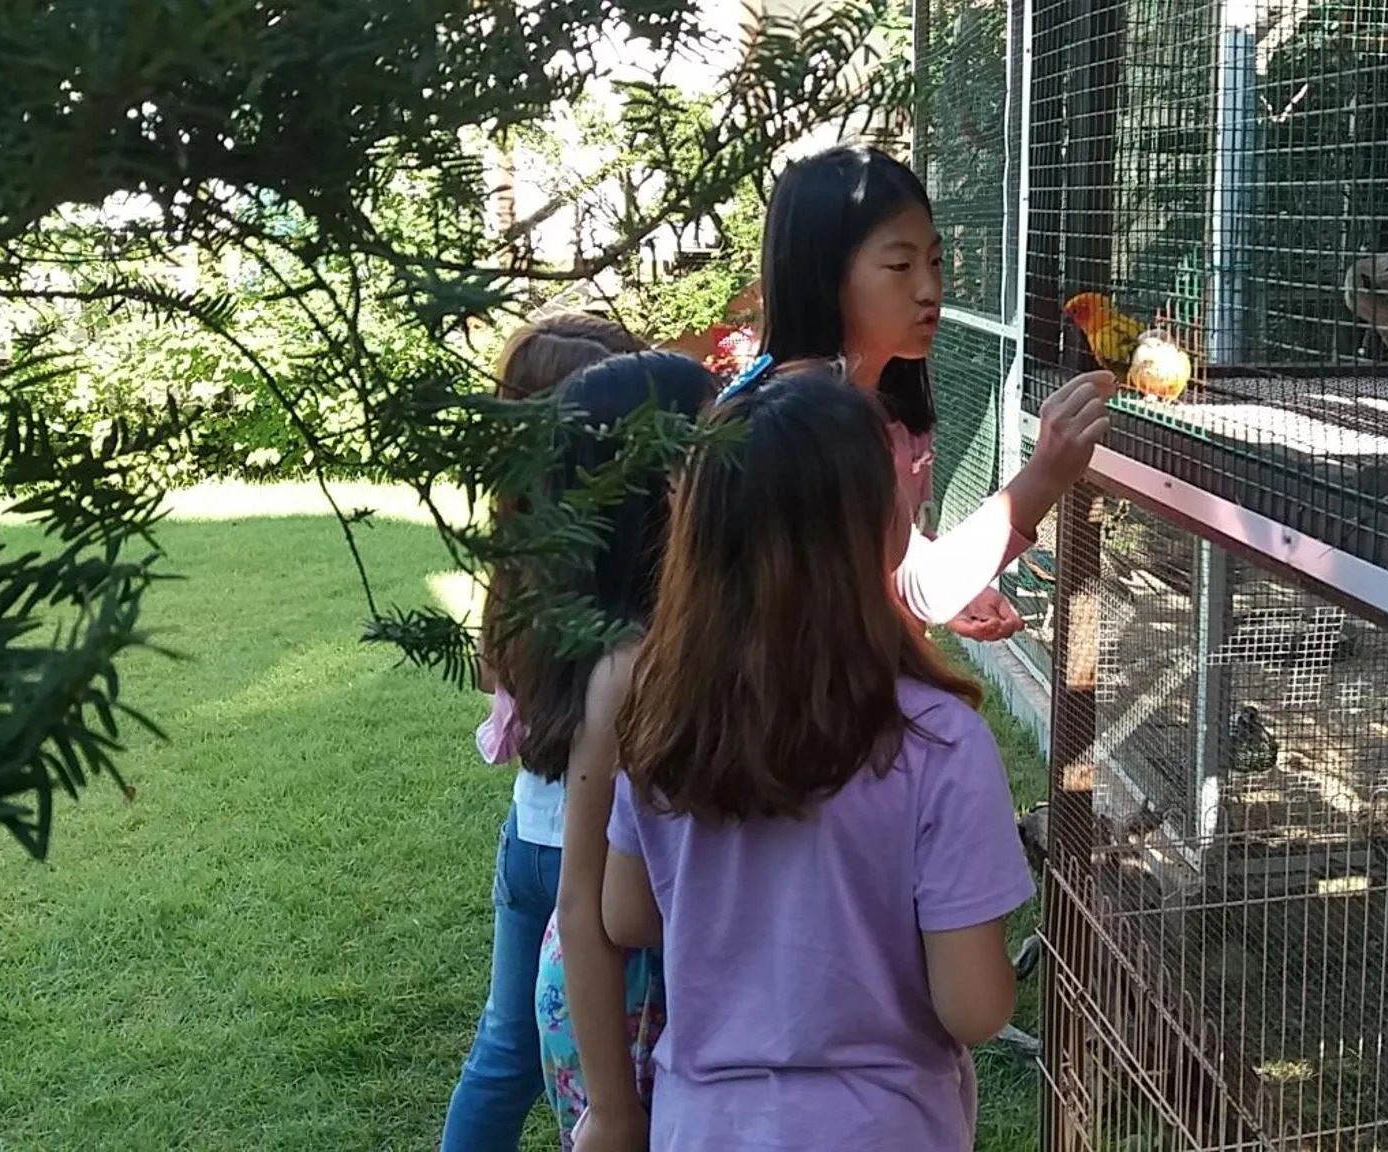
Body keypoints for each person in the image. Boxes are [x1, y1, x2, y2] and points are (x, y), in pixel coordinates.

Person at [598, 371, 1036, 1151]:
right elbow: (976, 1007)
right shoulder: (939, 742)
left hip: (701, 1127)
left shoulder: (663, 715)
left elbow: (626, 913)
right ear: (881, 527)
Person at [747, 142, 1113, 641]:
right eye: (900, 266)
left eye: (936, 261)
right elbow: (927, 588)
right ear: (823, 276)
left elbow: (902, 570)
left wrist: (946, 579)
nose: (929, 288)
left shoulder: (877, 401)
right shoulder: (809, 423)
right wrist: (1047, 471)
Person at [440, 313, 648, 1152]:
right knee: (621, 1056)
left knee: (506, 1046)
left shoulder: (520, 540)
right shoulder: (627, 559)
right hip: (597, 854)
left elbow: (495, 673)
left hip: (531, 836)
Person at [528, 352, 716, 1149]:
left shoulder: (697, 629)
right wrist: (610, 1107)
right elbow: (580, 901)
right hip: (625, 1013)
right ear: (663, 489)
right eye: (718, 445)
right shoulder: (628, 667)